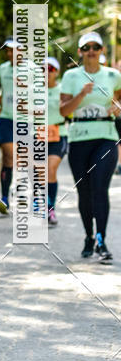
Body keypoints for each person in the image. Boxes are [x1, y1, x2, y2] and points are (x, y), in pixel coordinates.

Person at [60, 32, 121, 263]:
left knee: (99, 188)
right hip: (79, 138)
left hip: (105, 136)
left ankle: (101, 239)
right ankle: (88, 236)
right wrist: (81, 95)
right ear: (80, 52)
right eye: (87, 47)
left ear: (102, 50)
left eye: (96, 47)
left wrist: (118, 105)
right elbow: (64, 111)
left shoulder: (113, 75)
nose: (92, 51)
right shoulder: (71, 76)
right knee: (84, 192)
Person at [0, 37, 21, 215]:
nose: (10, 54)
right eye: (8, 51)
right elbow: (2, 91)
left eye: (14, 50)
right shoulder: (2, 68)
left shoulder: (33, 69)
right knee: (8, 156)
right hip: (6, 118)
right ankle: (4, 198)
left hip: (26, 120)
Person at [46, 57, 68, 226]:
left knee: (50, 168)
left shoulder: (63, 89)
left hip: (58, 133)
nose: (46, 72)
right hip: (37, 134)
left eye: (50, 69)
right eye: (43, 69)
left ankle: (50, 207)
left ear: (57, 72)